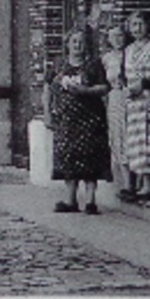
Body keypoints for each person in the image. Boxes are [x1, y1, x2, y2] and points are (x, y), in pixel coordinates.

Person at [45, 28, 111, 215]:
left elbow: (104, 87)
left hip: (90, 118)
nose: (77, 45)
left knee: (91, 156)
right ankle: (70, 199)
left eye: (81, 42)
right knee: (68, 157)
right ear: (67, 44)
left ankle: (90, 201)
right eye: (74, 42)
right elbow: (47, 89)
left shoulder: (93, 65)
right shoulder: (59, 65)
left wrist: (86, 91)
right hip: (66, 119)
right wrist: (48, 113)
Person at [124, 11, 150, 205]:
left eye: (140, 24)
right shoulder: (129, 50)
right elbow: (126, 75)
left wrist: (146, 83)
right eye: (133, 25)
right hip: (135, 102)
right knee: (139, 143)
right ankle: (145, 184)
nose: (137, 29)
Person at [101, 21, 135, 203]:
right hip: (114, 99)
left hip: (130, 96)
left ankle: (135, 183)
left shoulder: (132, 53)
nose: (117, 40)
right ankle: (124, 183)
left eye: (120, 35)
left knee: (132, 137)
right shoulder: (107, 59)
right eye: (113, 36)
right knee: (118, 138)